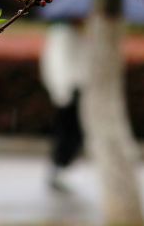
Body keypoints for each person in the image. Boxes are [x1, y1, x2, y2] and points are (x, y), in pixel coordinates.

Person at [39, 19, 88, 190]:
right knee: (67, 133)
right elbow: (56, 63)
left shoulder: (82, 33)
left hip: (79, 89)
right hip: (67, 91)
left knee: (74, 133)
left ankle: (61, 167)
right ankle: (58, 167)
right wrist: (61, 91)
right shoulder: (61, 34)